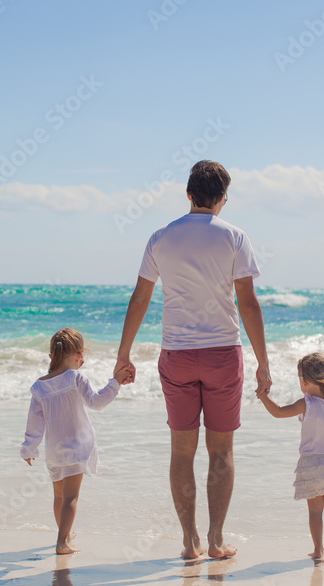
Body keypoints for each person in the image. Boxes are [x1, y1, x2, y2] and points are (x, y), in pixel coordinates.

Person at [114, 160, 271, 560]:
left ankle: (189, 542)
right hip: (222, 355)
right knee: (222, 451)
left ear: (188, 194)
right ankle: (216, 540)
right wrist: (263, 361)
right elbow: (248, 305)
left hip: (177, 356)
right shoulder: (235, 237)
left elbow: (140, 299)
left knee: (181, 451)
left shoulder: (160, 237)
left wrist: (123, 354)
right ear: (222, 199)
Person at [20, 328, 131, 554]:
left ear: (52, 356)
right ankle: (62, 543)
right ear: (79, 356)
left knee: (59, 496)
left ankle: (65, 534)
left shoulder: (39, 386)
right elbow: (96, 402)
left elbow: (35, 422)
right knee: (71, 497)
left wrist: (29, 448)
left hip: (53, 452)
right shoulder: (75, 378)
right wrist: (116, 382)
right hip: (75, 449)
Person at [257, 352, 324, 562]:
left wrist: (263, 395)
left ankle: (319, 550)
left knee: (315, 511)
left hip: (311, 463)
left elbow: (278, 412)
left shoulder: (308, 404)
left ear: (304, 381)